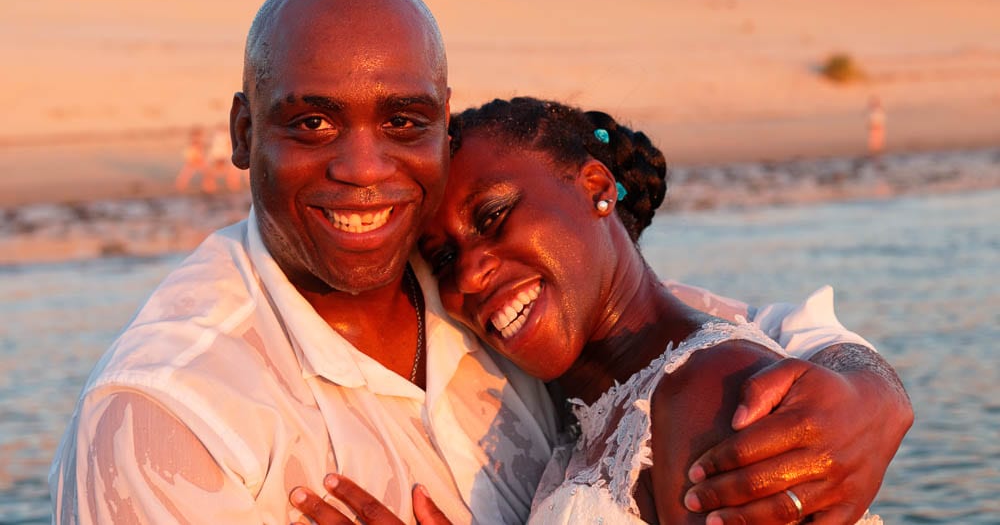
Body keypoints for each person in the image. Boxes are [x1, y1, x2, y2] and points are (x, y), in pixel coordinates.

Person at [50, 0, 912, 524]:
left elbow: (732, 328)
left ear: (438, 123)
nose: (362, 169)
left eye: (403, 122)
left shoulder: (499, 298)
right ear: (243, 133)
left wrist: (868, 389)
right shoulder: (168, 418)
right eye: (310, 122)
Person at [295, 98, 907, 524]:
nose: (471, 273)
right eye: (444, 258)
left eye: (494, 217)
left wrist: (872, 385)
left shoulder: (711, 397)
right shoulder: (598, 404)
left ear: (595, 188)